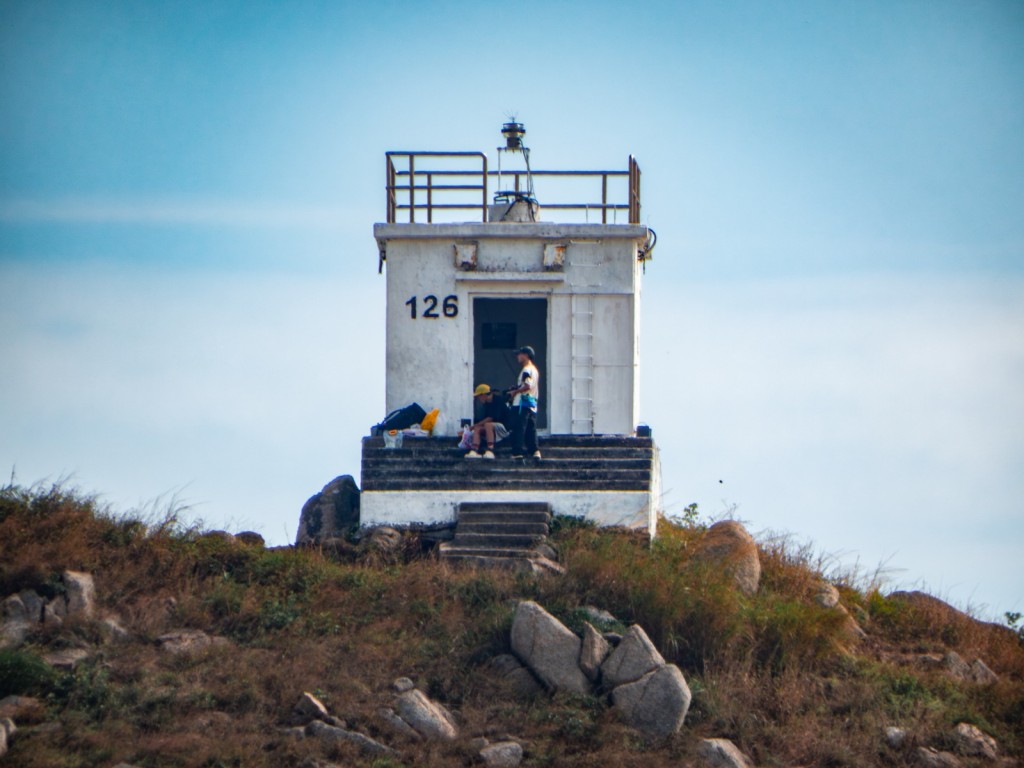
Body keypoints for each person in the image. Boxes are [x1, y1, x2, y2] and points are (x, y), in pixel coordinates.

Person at [509, 345, 541, 460]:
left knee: (519, 427)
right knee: (531, 428)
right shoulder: (535, 370)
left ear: (526, 355)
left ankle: (517, 452)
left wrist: (515, 392)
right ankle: (535, 451)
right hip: (532, 403)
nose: (518, 356)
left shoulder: (526, 369)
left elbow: (527, 385)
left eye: (520, 354)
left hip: (522, 403)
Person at [465, 384, 511, 460]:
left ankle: (490, 450)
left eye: (479, 396)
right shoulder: (486, 404)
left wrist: (472, 427)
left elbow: (491, 418)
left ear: (483, 395)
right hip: (492, 429)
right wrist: (475, 427)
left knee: (487, 425)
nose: (478, 399)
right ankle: (474, 450)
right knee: (478, 428)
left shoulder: (497, 400)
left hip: (504, 428)